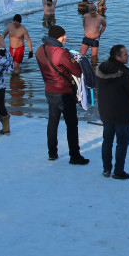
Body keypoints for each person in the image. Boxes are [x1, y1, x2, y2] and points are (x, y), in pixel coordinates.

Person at [35, 24, 89, 164]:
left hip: (49, 90)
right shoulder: (61, 52)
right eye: (62, 35)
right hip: (64, 92)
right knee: (72, 124)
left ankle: (52, 153)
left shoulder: (40, 50)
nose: (65, 37)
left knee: (53, 123)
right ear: (55, 37)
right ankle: (75, 156)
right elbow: (76, 71)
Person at [95, 44, 129, 179]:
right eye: (125, 54)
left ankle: (106, 169)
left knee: (107, 141)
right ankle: (118, 171)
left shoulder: (101, 68)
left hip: (105, 112)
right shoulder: (123, 73)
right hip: (122, 113)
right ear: (117, 57)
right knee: (122, 143)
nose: (128, 56)